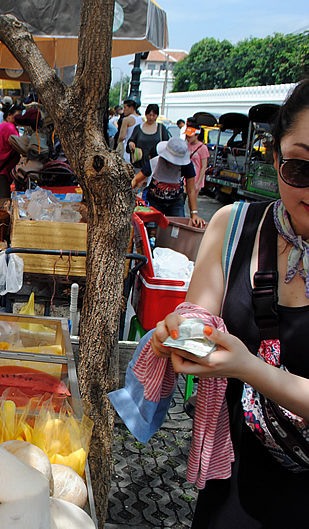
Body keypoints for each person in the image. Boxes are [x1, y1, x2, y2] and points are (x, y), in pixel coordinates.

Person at [145, 79, 309, 527]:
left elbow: (242, 364)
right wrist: (176, 332)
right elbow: (197, 315)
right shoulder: (234, 226)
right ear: (275, 158)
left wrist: (248, 368)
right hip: (233, 478)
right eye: (301, 169)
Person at [131, 137, 204, 227]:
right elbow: (135, 179)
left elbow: (191, 190)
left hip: (175, 202)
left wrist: (194, 214)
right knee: (151, 228)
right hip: (154, 201)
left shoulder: (186, 166)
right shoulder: (155, 162)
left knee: (177, 228)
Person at [0, 102, 24, 199]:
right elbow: (21, 147)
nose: (19, 118)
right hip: (1, 171)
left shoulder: (5, 125)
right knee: (2, 201)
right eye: (17, 116)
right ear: (9, 115)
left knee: (1, 200)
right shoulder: (9, 127)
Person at [127, 103, 170, 170]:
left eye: (154, 115)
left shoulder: (161, 128)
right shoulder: (138, 128)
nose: (151, 117)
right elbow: (131, 141)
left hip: (156, 166)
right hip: (139, 165)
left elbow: (166, 145)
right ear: (146, 114)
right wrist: (131, 144)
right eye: (149, 115)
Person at [185, 124, 209, 203]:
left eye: (190, 136)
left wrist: (198, 183)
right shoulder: (185, 146)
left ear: (197, 135)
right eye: (187, 136)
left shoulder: (202, 148)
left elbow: (203, 166)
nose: (188, 138)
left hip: (196, 179)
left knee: (191, 203)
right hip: (184, 179)